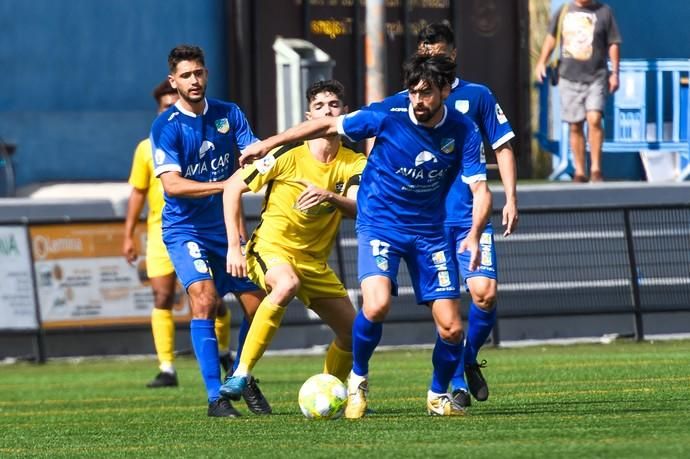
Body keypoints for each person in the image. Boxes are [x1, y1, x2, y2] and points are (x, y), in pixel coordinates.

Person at [236, 54, 492, 418]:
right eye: (414, 92)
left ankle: (438, 396)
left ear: (446, 91)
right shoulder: (387, 113)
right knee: (375, 305)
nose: (419, 101)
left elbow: (481, 189)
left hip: (429, 233)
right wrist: (267, 144)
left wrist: (475, 232)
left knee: (452, 328)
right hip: (380, 223)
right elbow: (324, 127)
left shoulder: (464, 130)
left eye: (428, 93)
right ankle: (358, 383)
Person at [365, 22, 517, 408]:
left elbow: (502, 146)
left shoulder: (477, 97)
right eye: (425, 50)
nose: (431, 55)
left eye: (438, 49)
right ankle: (449, 385)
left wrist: (511, 197)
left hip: (468, 216)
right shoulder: (409, 100)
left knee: (484, 294)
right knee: (446, 312)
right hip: (428, 221)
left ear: (452, 52)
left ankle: (466, 359)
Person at [219, 80, 366, 401]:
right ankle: (241, 373)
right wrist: (234, 245)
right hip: (271, 248)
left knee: (354, 336)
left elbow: (358, 207)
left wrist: (329, 196)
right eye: (319, 107)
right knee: (286, 284)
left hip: (313, 263)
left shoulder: (354, 162)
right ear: (308, 115)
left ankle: (326, 394)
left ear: (344, 113)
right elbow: (232, 188)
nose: (327, 111)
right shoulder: (288, 154)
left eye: (333, 105)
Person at [149, 44, 271, 417]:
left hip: (226, 227)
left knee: (260, 303)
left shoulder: (229, 113)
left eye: (199, 72)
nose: (194, 80)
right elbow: (172, 185)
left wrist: (266, 164)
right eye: (186, 75)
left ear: (206, 74)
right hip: (185, 229)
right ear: (174, 81)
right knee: (203, 299)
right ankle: (215, 397)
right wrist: (227, 185)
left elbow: (255, 156)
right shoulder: (165, 127)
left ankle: (240, 376)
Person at [123, 79, 236, 389]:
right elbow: (138, 192)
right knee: (162, 296)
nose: (169, 108)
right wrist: (128, 234)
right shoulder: (147, 146)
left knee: (213, 300)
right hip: (163, 232)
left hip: (203, 227)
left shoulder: (203, 134)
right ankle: (167, 367)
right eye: (164, 104)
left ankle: (225, 352)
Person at [535, 0, 621, 183]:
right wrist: (542, 61)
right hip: (568, 77)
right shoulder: (564, 11)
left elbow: (613, 42)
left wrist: (615, 72)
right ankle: (580, 171)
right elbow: (551, 37)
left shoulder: (604, 12)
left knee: (594, 119)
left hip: (596, 76)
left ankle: (596, 169)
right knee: (575, 125)